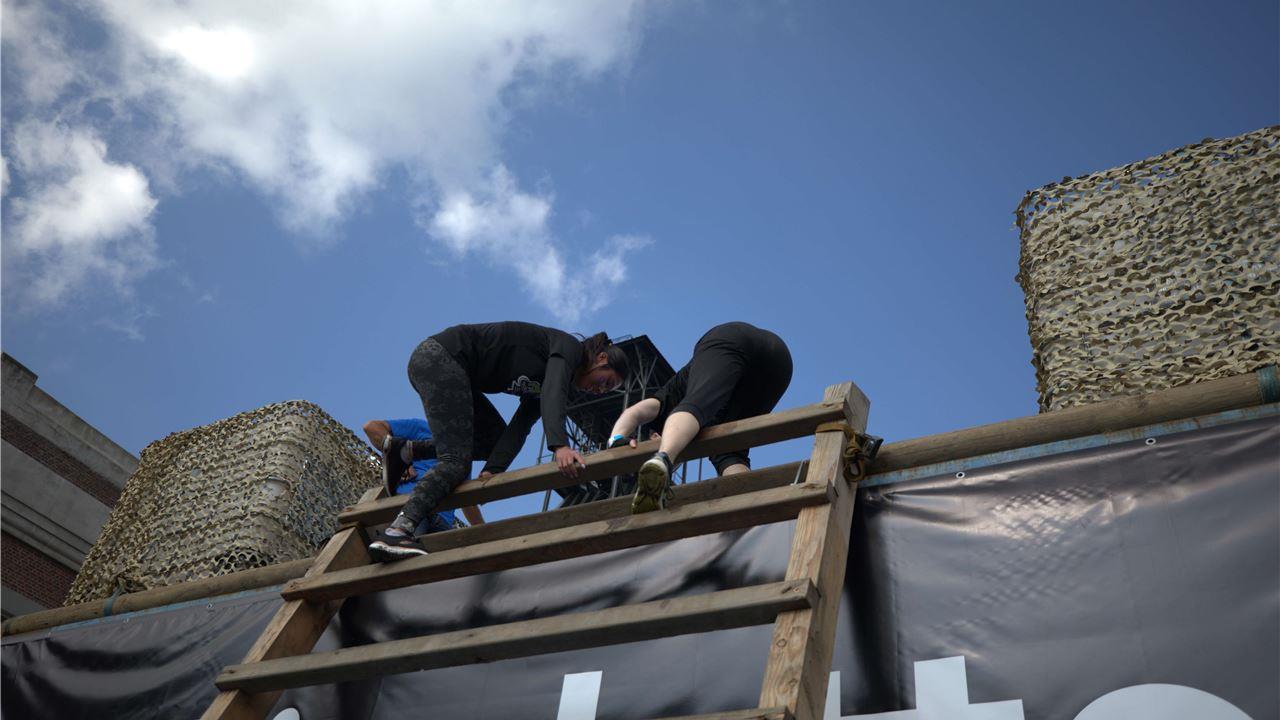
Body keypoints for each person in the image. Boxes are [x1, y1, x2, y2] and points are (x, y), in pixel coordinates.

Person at [368, 322, 631, 561]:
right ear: (601, 358)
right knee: (456, 463)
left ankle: (406, 451)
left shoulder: (547, 381)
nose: (599, 390)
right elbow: (554, 392)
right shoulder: (568, 348)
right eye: (605, 382)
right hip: (442, 357)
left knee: (491, 442)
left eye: (606, 390)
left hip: (455, 371)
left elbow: (521, 425)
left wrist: (494, 468)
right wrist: (560, 446)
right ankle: (398, 531)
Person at [606, 322, 792, 513]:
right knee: (730, 453)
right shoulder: (716, 434)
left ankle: (663, 458)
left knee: (696, 405)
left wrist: (616, 439)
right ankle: (746, 508)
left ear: (655, 436)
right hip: (778, 364)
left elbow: (635, 412)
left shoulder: (670, 399)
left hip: (729, 339)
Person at [362, 418, 485, 532]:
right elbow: (372, 427)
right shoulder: (422, 428)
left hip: (442, 522)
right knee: (403, 543)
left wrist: (486, 531)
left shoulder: (463, 455)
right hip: (413, 504)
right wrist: (401, 463)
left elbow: (468, 503)